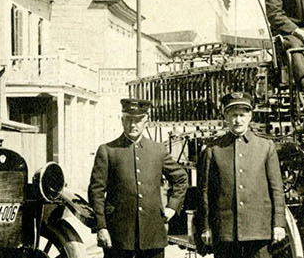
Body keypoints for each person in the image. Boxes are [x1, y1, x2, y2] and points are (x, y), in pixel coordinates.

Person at [87, 98, 187, 258]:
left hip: (153, 235)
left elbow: (181, 178)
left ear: (146, 121)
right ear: (122, 120)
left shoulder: (158, 150)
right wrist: (101, 227)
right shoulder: (108, 150)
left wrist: (172, 207)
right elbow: (96, 192)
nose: (133, 125)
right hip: (119, 236)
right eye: (128, 120)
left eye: (138, 120)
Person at [193, 92, 287, 258]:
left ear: (250, 116)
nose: (238, 120)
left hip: (258, 230)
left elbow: (277, 190)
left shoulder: (265, 147)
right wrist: (206, 227)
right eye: (233, 115)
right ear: (226, 117)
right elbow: (204, 193)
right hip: (226, 232)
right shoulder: (213, 150)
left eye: (242, 115)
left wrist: (278, 224)